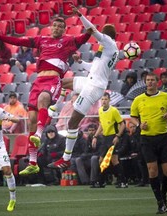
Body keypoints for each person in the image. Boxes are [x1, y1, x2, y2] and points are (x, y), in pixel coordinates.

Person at [0, 14, 91, 176]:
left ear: (64, 30)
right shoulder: (42, 40)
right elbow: (17, 41)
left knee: (43, 100)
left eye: (61, 27)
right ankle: (33, 162)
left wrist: (90, 29)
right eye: (55, 26)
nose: (57, 28)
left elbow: (83, 38)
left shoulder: (67, 41)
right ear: (51, 27)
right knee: (31, 120)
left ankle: (40, 134)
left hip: (53, 79)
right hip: (38, 81)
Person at [47, 5, 119, 169]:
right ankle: (52, 108)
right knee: (60, 82)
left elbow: (92, 30)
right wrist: (80, 62)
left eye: (102, 34)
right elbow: (94, 68)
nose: (99, 37)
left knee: (72, 124)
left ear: (106, 36)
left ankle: (65, 158)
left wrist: (80, 15)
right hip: (91, 81)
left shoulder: (108, 42)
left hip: (93, 87)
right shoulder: (109, 51)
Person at [130, 72, 167, 214]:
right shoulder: (138, 99)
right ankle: (160, 203)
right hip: (146, 139)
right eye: (147, 80)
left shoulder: (166, 96)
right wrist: (139, 125)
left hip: (163, 137)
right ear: (145, 82)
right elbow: (132, 117)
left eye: (152, 80)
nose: (150, 82)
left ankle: (163, 196)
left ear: (157, 82)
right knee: (152, 170)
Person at [90, 93, 126, 188]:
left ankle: (122, 181)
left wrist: (117, 136)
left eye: (106, 99)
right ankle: (102, 181)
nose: (104, 101)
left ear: (109, 100)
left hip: (113, 137)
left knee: (114, 160)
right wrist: (95, 136)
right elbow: (102, 124)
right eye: (102, 99)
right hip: (105, 138)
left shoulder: (114, 110)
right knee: (102, 160)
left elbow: (122, 124)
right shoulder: (100, 110)